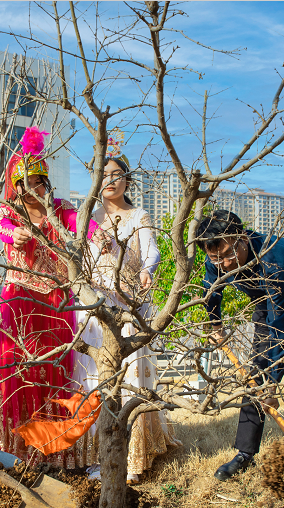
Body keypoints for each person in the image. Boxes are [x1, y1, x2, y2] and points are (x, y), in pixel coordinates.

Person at [0, 126, 100, 468]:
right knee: (18, 371)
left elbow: (83, 225)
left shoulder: (60, 209)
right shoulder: (7, 212)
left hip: (56, 303)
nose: (33, 188)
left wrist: (98, 236)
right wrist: (14, 234)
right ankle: (15, 449)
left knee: (55, 370)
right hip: (20, 301)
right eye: (26, 182)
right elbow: (0, 228)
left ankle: (53, 450)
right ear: (15, 183)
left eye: (39, 182)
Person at [200, 209, 284, 481]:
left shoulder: (272, 259)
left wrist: (273, 382)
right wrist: (215, 326)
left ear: (242, 238)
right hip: (267, 300)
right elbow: (211, 292)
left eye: (228, 255)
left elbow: (281, 325)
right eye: (216, 258)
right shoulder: (214, 257)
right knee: (256, 373)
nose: (224, 264)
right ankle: (244, 453)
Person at [74, 155, 179, 484]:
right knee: (96, 379)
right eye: (103, 175)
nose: (110, 180)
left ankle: (133, 455)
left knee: (131, 375)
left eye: (117, 174)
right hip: (95, 307)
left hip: (128, 304)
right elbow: (81, 262)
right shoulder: (87, 219)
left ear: (127, 180)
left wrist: (147, 270)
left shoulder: (138, 215)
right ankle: (99, 455)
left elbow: (152, 252)